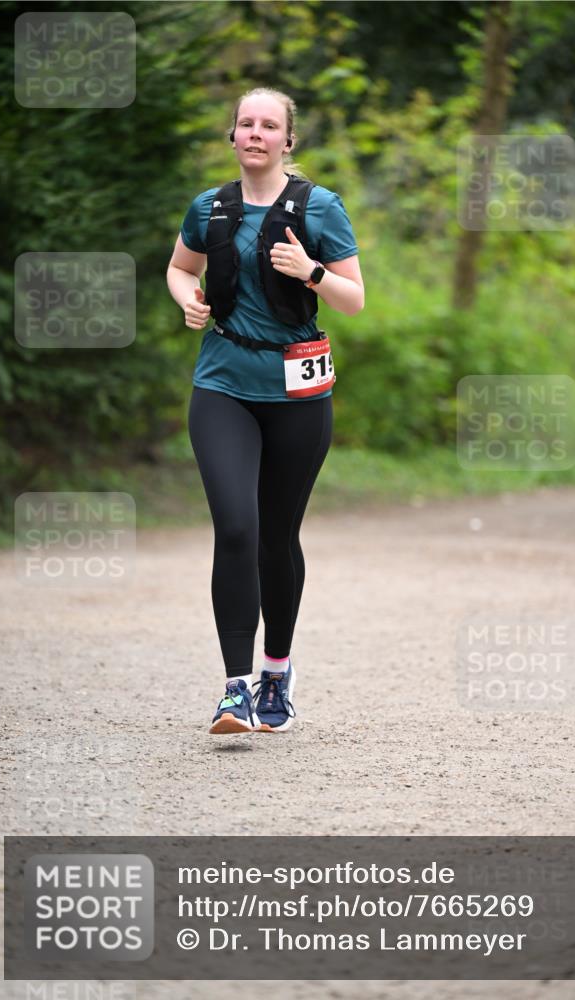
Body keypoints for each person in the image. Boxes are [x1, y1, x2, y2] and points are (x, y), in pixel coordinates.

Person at [166, 87, 364, 734]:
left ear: (287, 141)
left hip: (298, 395)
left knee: (277, 538)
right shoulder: (210, 207)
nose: (254, 133)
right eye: (244, 123)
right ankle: (234, 690)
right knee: (235, 528)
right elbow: (178, 267)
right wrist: (187, 298)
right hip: (222, 381)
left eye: (268, 125)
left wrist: (309, 270)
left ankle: (276, 671)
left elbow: (352, 299)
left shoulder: (319, 208)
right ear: (232, 137)